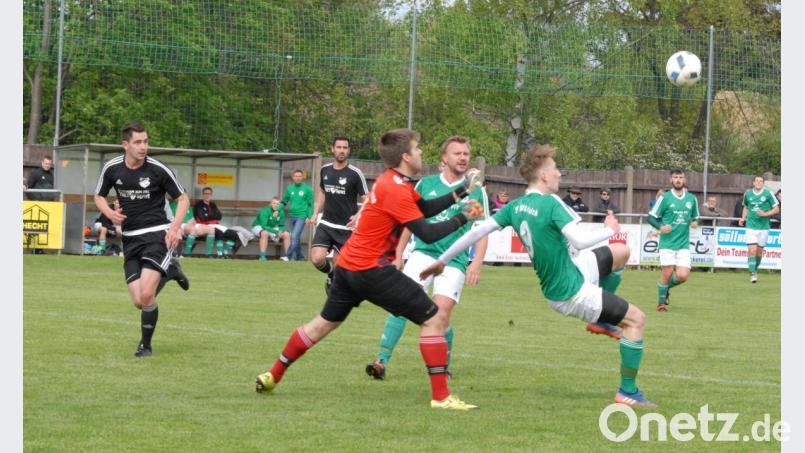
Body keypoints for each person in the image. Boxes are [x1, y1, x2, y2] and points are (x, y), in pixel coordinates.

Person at [255, 128, 485, 411]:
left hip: (348, 267)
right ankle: (441, 397)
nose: (421, 152)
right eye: (417, 148)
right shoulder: (396, 188)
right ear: (405, 156)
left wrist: (462, 190)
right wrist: (465, 215)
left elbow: (423, 207)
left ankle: (272, 375)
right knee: (435, 319)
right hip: (370, 270)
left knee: (321, 324)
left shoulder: (392, 180)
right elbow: (427, 232)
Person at [419, 144, 655, 407]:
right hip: (572, 290)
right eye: (555, 169)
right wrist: (609, 228)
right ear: (543, 175)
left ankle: (601, 321)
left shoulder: (516, 206)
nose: (559, 174)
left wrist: (441, 260)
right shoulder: (551, 203)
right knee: (636, 320)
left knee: (621, 252)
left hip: (572, 272)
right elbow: (578, 240)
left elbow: (475, 232)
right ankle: (628, 392)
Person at [365, 135, 489, 380]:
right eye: (457, 153)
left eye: (466, 153)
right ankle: (381, 360)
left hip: (453, 260)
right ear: (445, 158)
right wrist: (399, 254)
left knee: (440, 315)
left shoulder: (475, 190)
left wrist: (477, 262)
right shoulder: (426, 185)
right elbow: (409, 223)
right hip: (422, 254)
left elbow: (481, 229)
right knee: (401, 305)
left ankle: (442, 367)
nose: (463, 157)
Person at [93, 122, 190, 357]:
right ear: (125, 144)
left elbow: (183, 199)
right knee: (138, 301)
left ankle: (145, 346)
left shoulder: (158, 169)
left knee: (147, 295)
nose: (143, 146)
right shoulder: (112, 168)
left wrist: (175, 228)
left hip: (158, 235)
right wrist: (110, 213)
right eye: (138, 142)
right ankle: (172, 271)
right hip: (130, 239)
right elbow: (98, 196)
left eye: (145, 141)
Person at [308, 137, 368, 289]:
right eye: (339, 147)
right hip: (326, 223)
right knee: (317, 258)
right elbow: (322, 192)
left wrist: (358, 215)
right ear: (332, 149)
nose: (342, 150)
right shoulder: (325, 170)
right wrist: (315, 213)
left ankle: (339, 288)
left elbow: (368, 199)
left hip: (346, 227)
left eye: (345, 148)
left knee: (339, 264)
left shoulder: (355, 173)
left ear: (349, 150)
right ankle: (331, 274)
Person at [647, 169, 699, 311]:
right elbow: (650, 217)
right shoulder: (665, 198)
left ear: (684, 180)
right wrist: (660, 227)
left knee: (682, 276)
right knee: (668, 272)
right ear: (671, 179)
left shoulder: (691, 199)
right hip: (667, 243)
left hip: (683, 243)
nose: (678, 180)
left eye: (680, 177)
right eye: (675, 177)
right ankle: (661, 304)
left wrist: (694, 222)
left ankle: (665, 288)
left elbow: (694, 217)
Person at [738, 175, 779, 283]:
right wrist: (743, 218)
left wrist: (765, 214)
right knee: (752, 250)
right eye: (757, 181)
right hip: (751, 226)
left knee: (759, 253)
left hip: (764, 227)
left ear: (763, 183)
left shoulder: (768, 194)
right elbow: (746, 207)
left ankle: (755, 268)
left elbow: (776, 209)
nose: (759, 183)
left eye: (761, 181)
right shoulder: (747, 194)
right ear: (753, 183)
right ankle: (752, 273)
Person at [194, 186, 242, 258]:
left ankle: (224, 253)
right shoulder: (198, 205)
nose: (207, 195)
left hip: (216, 225)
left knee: (234, 234)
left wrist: (209, 215)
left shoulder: (213, 204)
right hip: (204, 226)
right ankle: (219, 254)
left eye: (209, 194)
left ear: (211, 195)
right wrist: (213, 215)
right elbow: (203, 218)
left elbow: (219, 216)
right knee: (219, 233)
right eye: (205, 193)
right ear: (203, 194)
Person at [280, 169, 314, 261]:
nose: (298, 178)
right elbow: (284, 201)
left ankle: (288, 256)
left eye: (300, 176)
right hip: (292, 216)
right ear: (293, 177)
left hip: (302, 216)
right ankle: (300, 257)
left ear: (303, 177)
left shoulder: (308, 189)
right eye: (296, 176)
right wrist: (277, 210)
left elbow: (311, 204)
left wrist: (309, 217)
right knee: (296, 238)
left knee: (294, 236)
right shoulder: (289, 188)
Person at [252, 196, 291, 261]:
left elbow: (282, 225)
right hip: (258, 226)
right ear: (270, 203)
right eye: (274, 203)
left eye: (278, 204)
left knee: (286, 234)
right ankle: (262, 256)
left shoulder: (281, 212)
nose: (276, 205)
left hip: (271, 228)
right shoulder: (265, 210)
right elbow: (264, 226)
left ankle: (288, 256)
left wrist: (280, 231)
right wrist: (276, 232)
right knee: (265, 233)